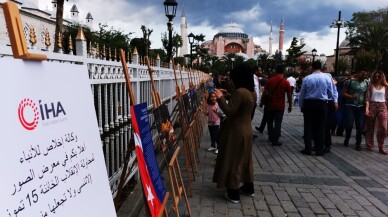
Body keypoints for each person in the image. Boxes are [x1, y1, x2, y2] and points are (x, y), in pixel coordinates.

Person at [212, 62, 256, 204]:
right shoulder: (251, 92)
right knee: (245, 160)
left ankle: (233, 192)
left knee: (233, 160)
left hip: (236, 132)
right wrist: (228, 94)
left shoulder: (240, 92)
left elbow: (230, 111)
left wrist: (220, 97)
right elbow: (241, 106)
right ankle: (248, 187)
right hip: (247, 130)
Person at [299, 61, 338, 156]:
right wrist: (333, 101)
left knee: (308, 126)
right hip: (322, 104)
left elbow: (302, 94)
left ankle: (308, 148)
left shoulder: (307, 78)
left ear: (312, 67)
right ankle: (319, 149)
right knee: (321, 127)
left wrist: (301, 105)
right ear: (321, 68)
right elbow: (331, 93)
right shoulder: (327, 78)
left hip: (309, 103)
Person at [259, 64, 292, 146]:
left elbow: (264, 93)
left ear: (276, 71)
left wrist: (261, 102)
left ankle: (270, 136)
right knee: (278, 123)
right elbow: (289, 95)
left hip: (270, 105)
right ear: (283, 72)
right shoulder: (286, 82)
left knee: (269, 122)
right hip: (280, 106)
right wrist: (290, 105)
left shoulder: (270, 80)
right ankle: (275, 140)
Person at [342, 70, 369, 151]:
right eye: (362, 74)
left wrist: (366, 103)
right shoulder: (349, 82)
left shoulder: (366, 83)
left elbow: (367, 94)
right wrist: (351, 96)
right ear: (358, 74)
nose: (363, 76)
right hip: (350, 106)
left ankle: (358, 143)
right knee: (349, 124)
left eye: (365, 75)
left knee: (360, 126)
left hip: (361, 107)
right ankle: (347, 137)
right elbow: (343, 93)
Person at [365, 70, 388, 155]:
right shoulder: (371, 86)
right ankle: (370, 144)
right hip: (372, 106)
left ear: (382, 77)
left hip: (383, 106)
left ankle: (381, 146)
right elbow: (367, 98)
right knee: (370, 127)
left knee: (384, 127)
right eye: (375, 76)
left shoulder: (386, 86)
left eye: (379, 76)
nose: (377, 78)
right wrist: (367, 109)